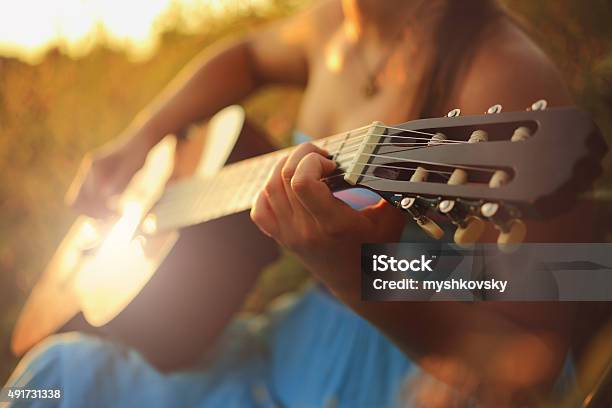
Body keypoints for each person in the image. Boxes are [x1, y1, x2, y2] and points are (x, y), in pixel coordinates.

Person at [6, 0, 576, 406]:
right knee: (51, 378)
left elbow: (538, 352)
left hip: (396, 374)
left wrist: (365, 277)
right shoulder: (338, 22)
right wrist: (141, 136)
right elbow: (249, 57)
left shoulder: (498, 74)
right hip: (301, 337)